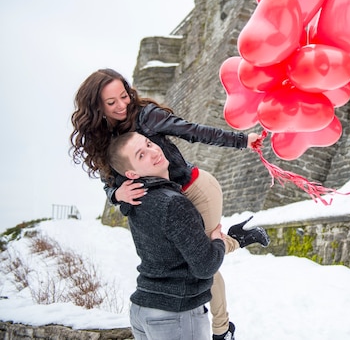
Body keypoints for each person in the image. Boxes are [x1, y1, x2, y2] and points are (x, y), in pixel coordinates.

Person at [70, 68, 268, 339]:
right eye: (111, 102)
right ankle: (234, 238)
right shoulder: (102, 138)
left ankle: (222, 330)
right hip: (162, 200)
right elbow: (108, 181)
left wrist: (242, 140)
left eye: (124, 96)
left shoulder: (146, 116)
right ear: (97, 107)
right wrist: (117, 194)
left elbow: (193, 131)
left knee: (203, 263)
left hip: (194, 189)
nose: (122, 106)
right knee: (191, 258)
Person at [108, 131, 226, 339]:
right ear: (132, 174)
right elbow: (205, 266)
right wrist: (217, 242)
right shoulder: (173, 203)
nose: (153, 152)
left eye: (149, 144)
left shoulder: (135, 201)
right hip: (175, 313)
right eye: (141, 155)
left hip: (142, 308)